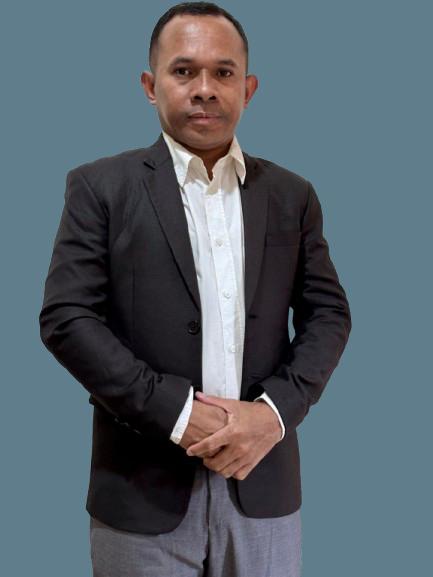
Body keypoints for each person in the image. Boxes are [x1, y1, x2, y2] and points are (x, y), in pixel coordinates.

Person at [39, 2, 351, 576]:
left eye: (223, 72)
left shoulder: (292, 194)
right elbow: (67, 318)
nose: (204, 89)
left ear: (248, 89)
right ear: (150, 86)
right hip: (139, 487)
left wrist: (274, 414)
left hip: (263, 483)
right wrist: (178, 413)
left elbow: (328, 314)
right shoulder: (99, 187)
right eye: (183, 71)